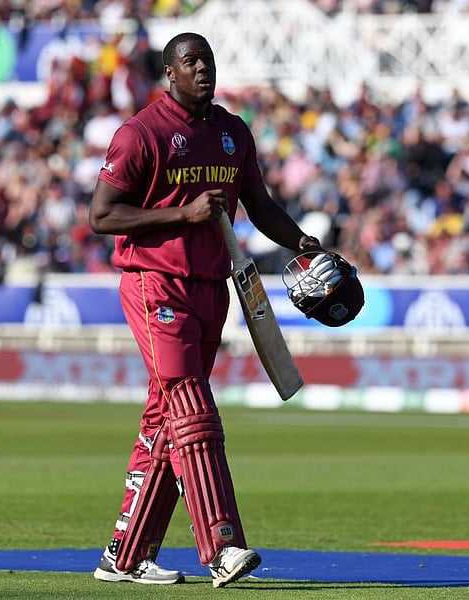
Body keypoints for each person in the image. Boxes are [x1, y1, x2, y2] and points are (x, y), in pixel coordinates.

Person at [88, 32, 323, 588]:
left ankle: (124, 556)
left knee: (168, 417)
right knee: (191, 404)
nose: (202, 70)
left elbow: (260, 205)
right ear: (169, 73)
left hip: (212, 287)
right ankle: (223, 546)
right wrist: (182, 215)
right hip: (155, 284)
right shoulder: (140, 134)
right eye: (190, 62)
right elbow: (103, 215)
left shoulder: (231, 132)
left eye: (208, 62)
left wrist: (303, 245)